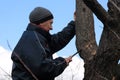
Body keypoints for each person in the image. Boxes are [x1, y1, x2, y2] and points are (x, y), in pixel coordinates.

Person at [11, 7, 76, 80]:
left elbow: (58, 40)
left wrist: (74, 24)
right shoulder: (30, 41)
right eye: (50, 23)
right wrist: (62, 62)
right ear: (41, 22)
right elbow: (44, 69)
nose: (52, 28)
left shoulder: (38, 38)